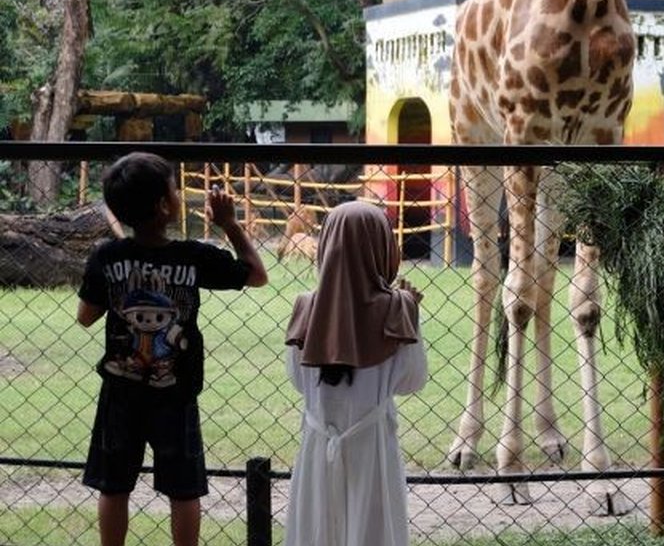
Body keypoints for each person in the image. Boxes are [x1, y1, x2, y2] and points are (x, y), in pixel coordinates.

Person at [76, 152, 269, 546]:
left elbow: (85, 316)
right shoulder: (192, 257)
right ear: (165, 206)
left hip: (120, 394)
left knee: (113, 485)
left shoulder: (107, 257)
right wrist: (230, 224)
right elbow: (257, 276)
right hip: (175, 394)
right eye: (175, 189)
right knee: (183, 489)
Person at [284, 200, 426, 546]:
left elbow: (298, 380)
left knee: (317, 528)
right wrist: (412, 315)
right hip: (372, 448)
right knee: (373, 529)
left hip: (318, 445)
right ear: (383, 249)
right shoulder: (397, 309)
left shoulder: (305, 307)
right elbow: (412, 380)